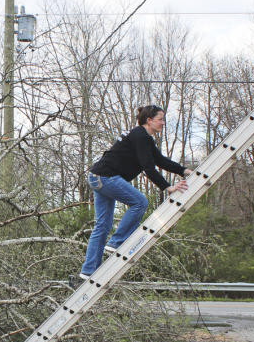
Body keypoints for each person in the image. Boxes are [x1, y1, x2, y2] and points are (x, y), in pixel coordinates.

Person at [71, 105, 191, 287]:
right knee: (140, 202)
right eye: (160, 119)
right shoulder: (140, 136)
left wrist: (183, 170)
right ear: (149, 120)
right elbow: (148, 167)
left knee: (102, 226)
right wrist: (167, 187)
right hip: (106, 177)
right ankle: (116, 242)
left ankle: (87, 272)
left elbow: (160, 160)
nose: (163, 123)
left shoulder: (144, 138)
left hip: (98, 176)